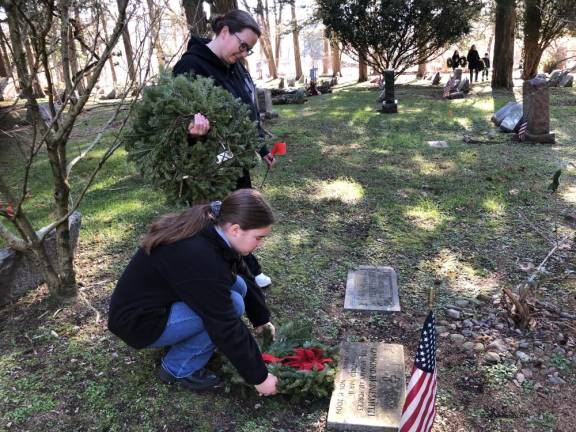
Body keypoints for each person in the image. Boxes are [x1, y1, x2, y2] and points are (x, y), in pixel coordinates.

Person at [107, 189, 278, 395]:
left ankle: (183, 339)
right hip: (139, 322)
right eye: (258, 238)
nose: (260, 244)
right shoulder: (200, 258)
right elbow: (224, 324)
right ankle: (178, 367)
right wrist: (260, 378)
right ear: (235, 229)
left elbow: (241, 270)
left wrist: (260, 318)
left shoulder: (213, 223)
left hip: (161, 302)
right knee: (233, 305)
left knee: (239, 286)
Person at [173, 10, 274, 289]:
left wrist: (261, 146)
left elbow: (248, 110)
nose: (244, 54)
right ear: (225, 31)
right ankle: (225, 273)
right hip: (209, 162)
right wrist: (192, 134)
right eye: (243, 46)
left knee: (241, 211)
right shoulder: (190, 67)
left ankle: (247, 268)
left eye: (249, 51)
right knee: (217, 217)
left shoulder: (236, 66)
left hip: (235, 156)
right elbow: (175, 122)